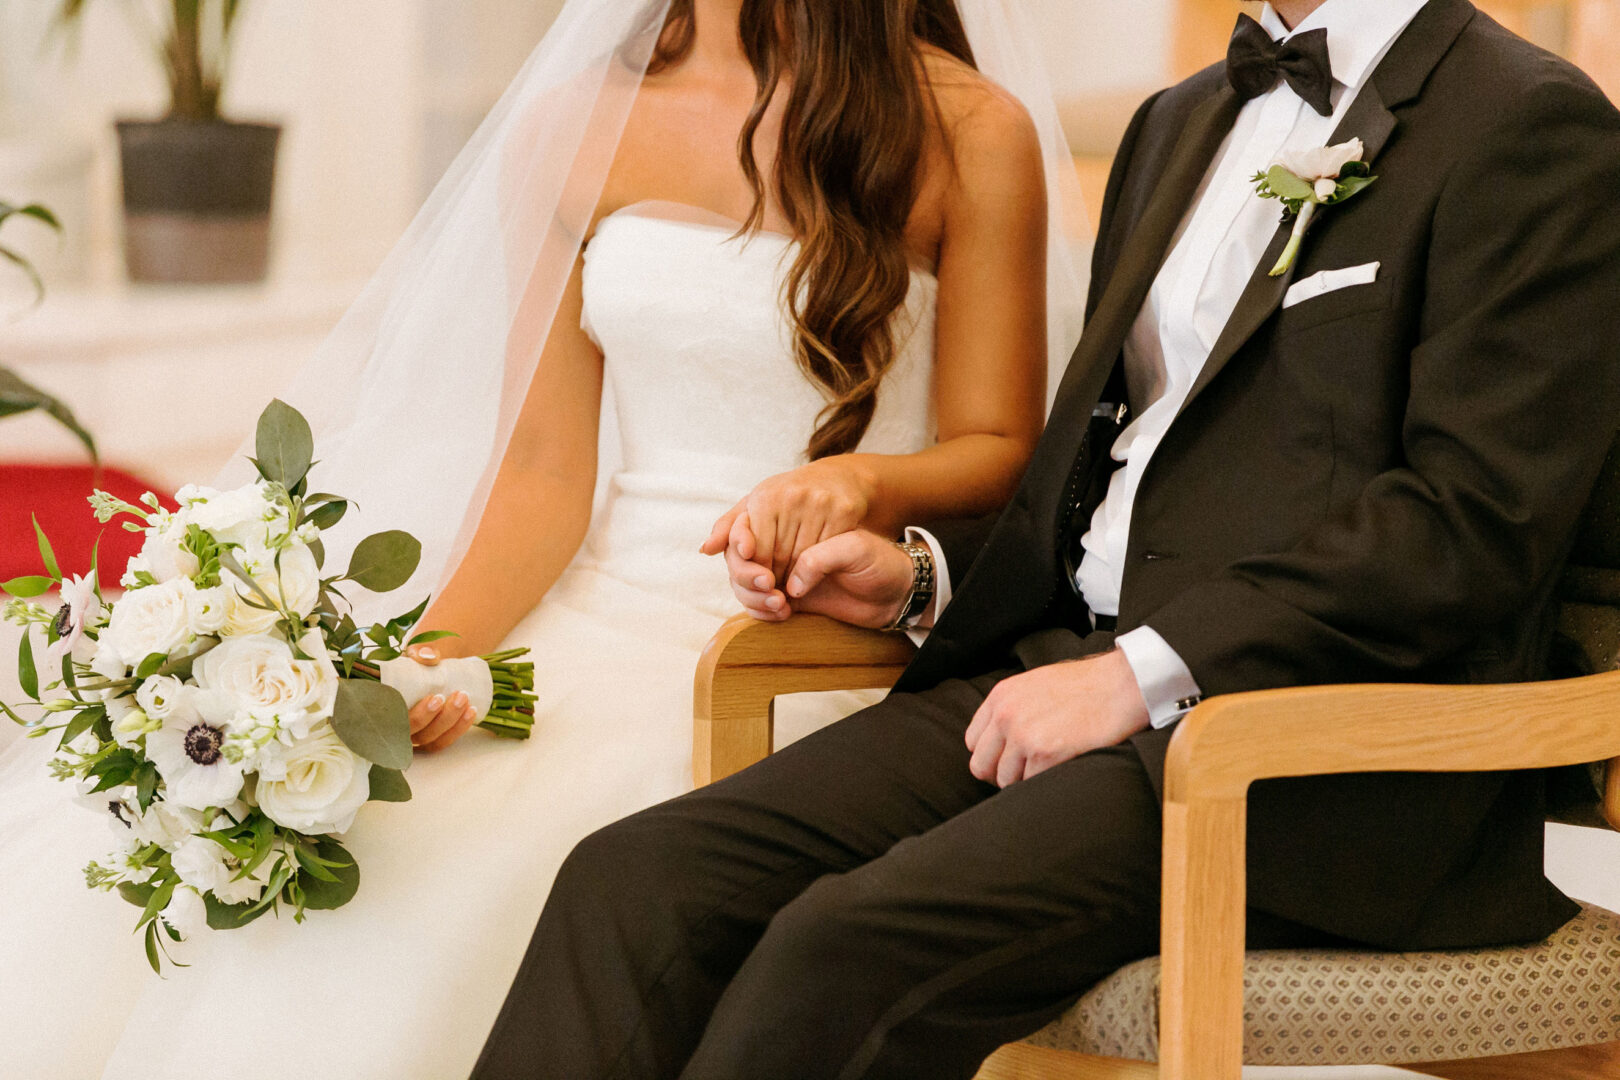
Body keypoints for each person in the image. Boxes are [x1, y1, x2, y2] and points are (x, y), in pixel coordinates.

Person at [472, 1, 1620, 1078]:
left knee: (844, 943)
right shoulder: (1181, 124)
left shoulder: (1530, 126)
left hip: (1317, 751)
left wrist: (1144, 671)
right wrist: (920, 578)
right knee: (635, 880)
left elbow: (1473, 522)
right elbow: (1109, 483)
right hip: (1065, 678)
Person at [0, 2, 1087, 1078]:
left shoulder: (967, 127)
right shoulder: (575, 121)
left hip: (801, 641)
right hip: (596, 614)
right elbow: (543, 479)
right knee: (370, 846)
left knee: (476, 889)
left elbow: (998, 448)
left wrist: (857, 482)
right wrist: (419, 660)